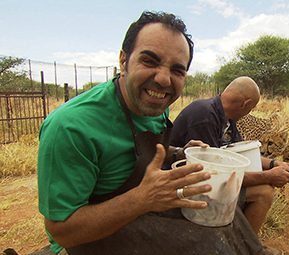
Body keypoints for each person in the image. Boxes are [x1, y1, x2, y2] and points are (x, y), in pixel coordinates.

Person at [37, 12, 272, 255]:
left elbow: (138, 151)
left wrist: (179, 153)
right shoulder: (70, 127)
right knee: (207, 240)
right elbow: (62, 231)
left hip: (141, 210)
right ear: (123, 60)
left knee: (220, 208)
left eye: (177, 70)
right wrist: (142, 199)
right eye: (150, 61)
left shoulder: (154, 104)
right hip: (87, 242)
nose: (163, 79)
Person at [170, 76, 289, 254]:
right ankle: (245, 249)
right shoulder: (205, 116)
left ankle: (241, 244)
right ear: (245, 104)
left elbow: (237, 156)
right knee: (263, 192)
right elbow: (214, 176)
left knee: (262, 186)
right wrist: (268, 176)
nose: (249, 113)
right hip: (186, 186)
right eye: (252, 108)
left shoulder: (225, 118)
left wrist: (274, 164)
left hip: (203, 180)